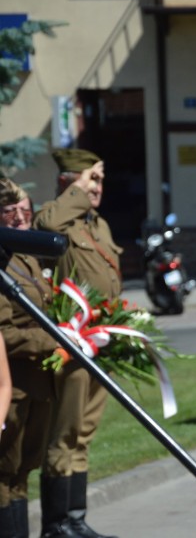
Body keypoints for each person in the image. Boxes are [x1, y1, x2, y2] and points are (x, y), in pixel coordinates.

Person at [34, 149, 122, 538]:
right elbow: (44, 223)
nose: (98, 188)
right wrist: (76, 190)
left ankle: (75, 517)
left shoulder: (96, 224)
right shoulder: (58, 218)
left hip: (101, 340)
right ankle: (55, 524)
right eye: (91, 180)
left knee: (84, 432)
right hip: (72, 342)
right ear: (69, 182)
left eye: (100, 181)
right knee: (65, 432)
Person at [0, 179, 58, 538]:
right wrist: (53, 340)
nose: (22, 220)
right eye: (11, 213)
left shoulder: (25, 258)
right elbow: (5, 332)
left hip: (36, 384)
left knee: (23, 471)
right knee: (5, 475)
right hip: (14, 385)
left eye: (26, 212)